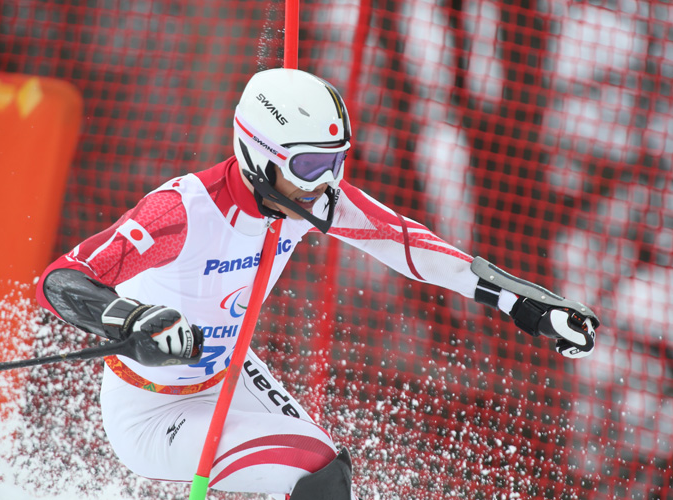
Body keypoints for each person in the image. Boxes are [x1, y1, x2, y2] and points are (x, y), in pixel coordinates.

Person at [36, 68, 598, 500]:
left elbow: (405, 243)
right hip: (151, 409)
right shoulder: (184, 211)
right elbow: (61, 279)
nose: (327, 183)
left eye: (338, 162)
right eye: (310, 166)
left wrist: (519, 301)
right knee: (314, 469)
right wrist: (130, 320)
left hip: (228, 367)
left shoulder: (303, 201)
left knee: (327, 476)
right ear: (260, 155)